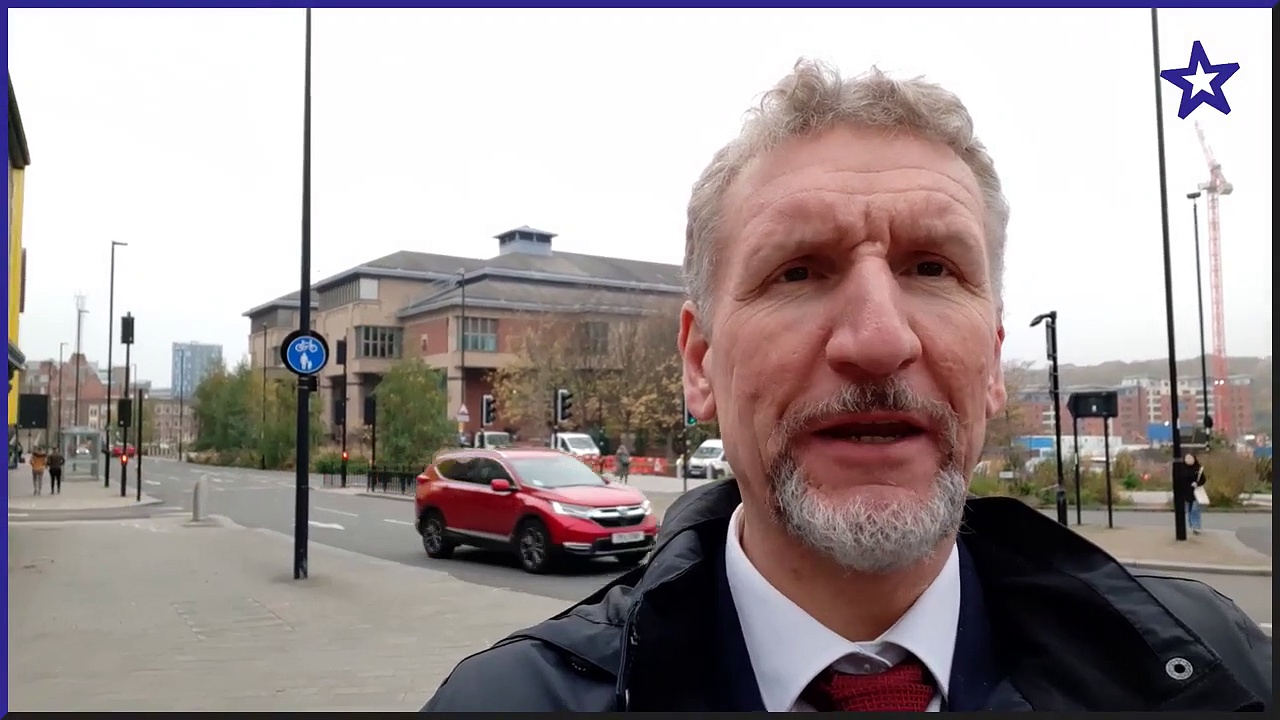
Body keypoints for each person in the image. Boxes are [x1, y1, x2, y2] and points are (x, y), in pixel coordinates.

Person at [423, 60, 1271, 712]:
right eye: (798, 271)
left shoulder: (1221, 673)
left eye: (932, 268)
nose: (878, 339)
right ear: (699, 362)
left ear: (992, 362)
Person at [1179, 453, 1208, 535]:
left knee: (1195, 510)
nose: (1189, 460)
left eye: (1190, 458)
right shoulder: (1181, 468)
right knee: (1189, 510)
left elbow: (1203, 480)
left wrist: (1197, 483)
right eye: (1187, 458)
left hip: (1196, 493)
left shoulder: (1198, 469)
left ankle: (1196, 527)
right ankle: (1192, 526)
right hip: (1186, 492)